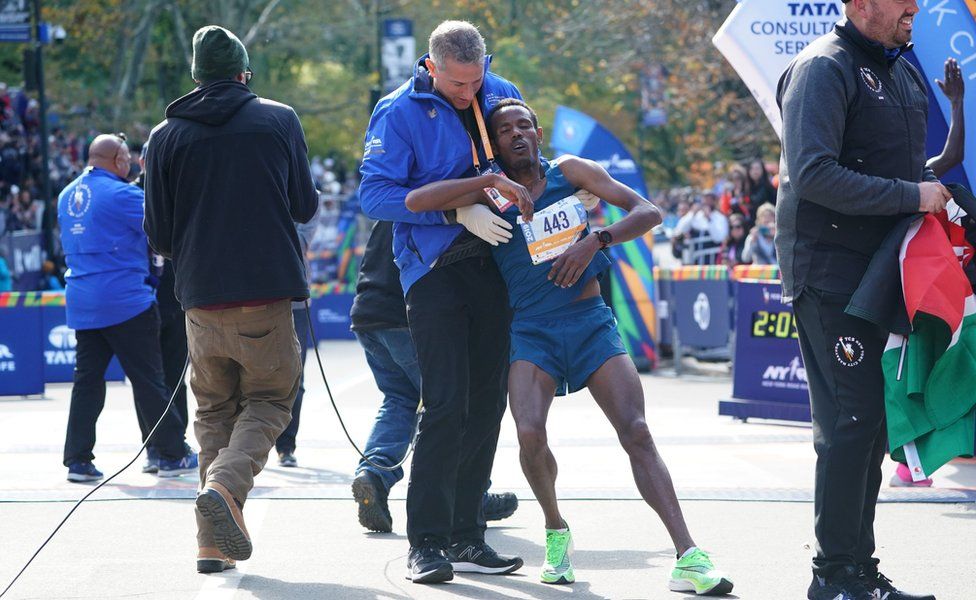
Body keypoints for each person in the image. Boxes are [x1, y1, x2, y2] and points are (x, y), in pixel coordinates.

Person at [405, 98, 734, 596]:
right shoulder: (493, 198)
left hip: (589, 324)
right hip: (530, 333)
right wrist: (481, 190)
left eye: (524, 126)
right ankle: (556, 531)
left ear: (538, 133)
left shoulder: (573, 172)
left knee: (637, 430)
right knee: (530, 435)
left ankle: (687, 555)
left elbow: (649, 211)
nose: (516, 134)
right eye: (504, 130)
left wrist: (594, 240)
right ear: (492, 144)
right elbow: (415, 202)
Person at [775, 2, 948, 599]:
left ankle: (859, 572)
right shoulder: (823, 66)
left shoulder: (902, 69)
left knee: (872, 427)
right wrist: (912, 193)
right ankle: (833, 577)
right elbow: (814, 173)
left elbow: (907, 172)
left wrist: (938, 189)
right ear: (859, 5)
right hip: (829, 273)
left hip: (883, 272)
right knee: (849, 424)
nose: (915, 7)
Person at [143, 25, 318, 574]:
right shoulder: (278, 119)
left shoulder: (163, 136)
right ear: (244, 73)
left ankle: (211, 545)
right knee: (269, 400)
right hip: (264, 291)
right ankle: (223, 484)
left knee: (214, 411)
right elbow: (305, 206)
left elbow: (160, 237)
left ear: (196, 77)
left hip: (197, 296)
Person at [359, 20, 523, 584]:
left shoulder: (501, 93)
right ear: (431, 66)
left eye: (476, 79)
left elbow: (525, 160)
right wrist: (453, 211)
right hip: (433, 269)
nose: (469, 92)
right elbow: (375, 195)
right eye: (457, 84)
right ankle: (425, 542)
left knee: (486, 403)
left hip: (497, 263)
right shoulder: (398, 111)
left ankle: (468, 534)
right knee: (445, 402)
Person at [349, 219, 518, 532]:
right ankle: (468, 494)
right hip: (408, 317)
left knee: (400, 398)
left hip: (369, 316)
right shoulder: (437, 211)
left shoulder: (396, 201)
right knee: (454, 404)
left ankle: (374, 472)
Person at [58, 133, 196, 484]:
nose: (131, 163)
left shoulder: (67, 195)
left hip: (83, 300)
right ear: (117, 160)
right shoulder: (123, 195)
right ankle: (171, 451)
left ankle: (77, 459)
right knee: (150, 380)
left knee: (87, 382)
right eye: (127, 157)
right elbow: (167, 226)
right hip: (124, 300)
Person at [890, 56, 966, 488]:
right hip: (889, 294)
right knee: (902, 375)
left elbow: (953, 153)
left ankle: (915, 461)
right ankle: (904, 459)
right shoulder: (879, 177)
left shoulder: (919, 175)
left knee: (931, 367)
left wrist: (956, 103)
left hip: (928, 294)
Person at [672, 192, 729, 265]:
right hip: (697, 262)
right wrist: (692, 213)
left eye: (710, 199)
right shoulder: (696, 217)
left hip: (714, 262)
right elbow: (680, 230)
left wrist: (709, 219)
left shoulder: (720, 218)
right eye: (705, 199)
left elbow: (719, 238)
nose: (707, 202)